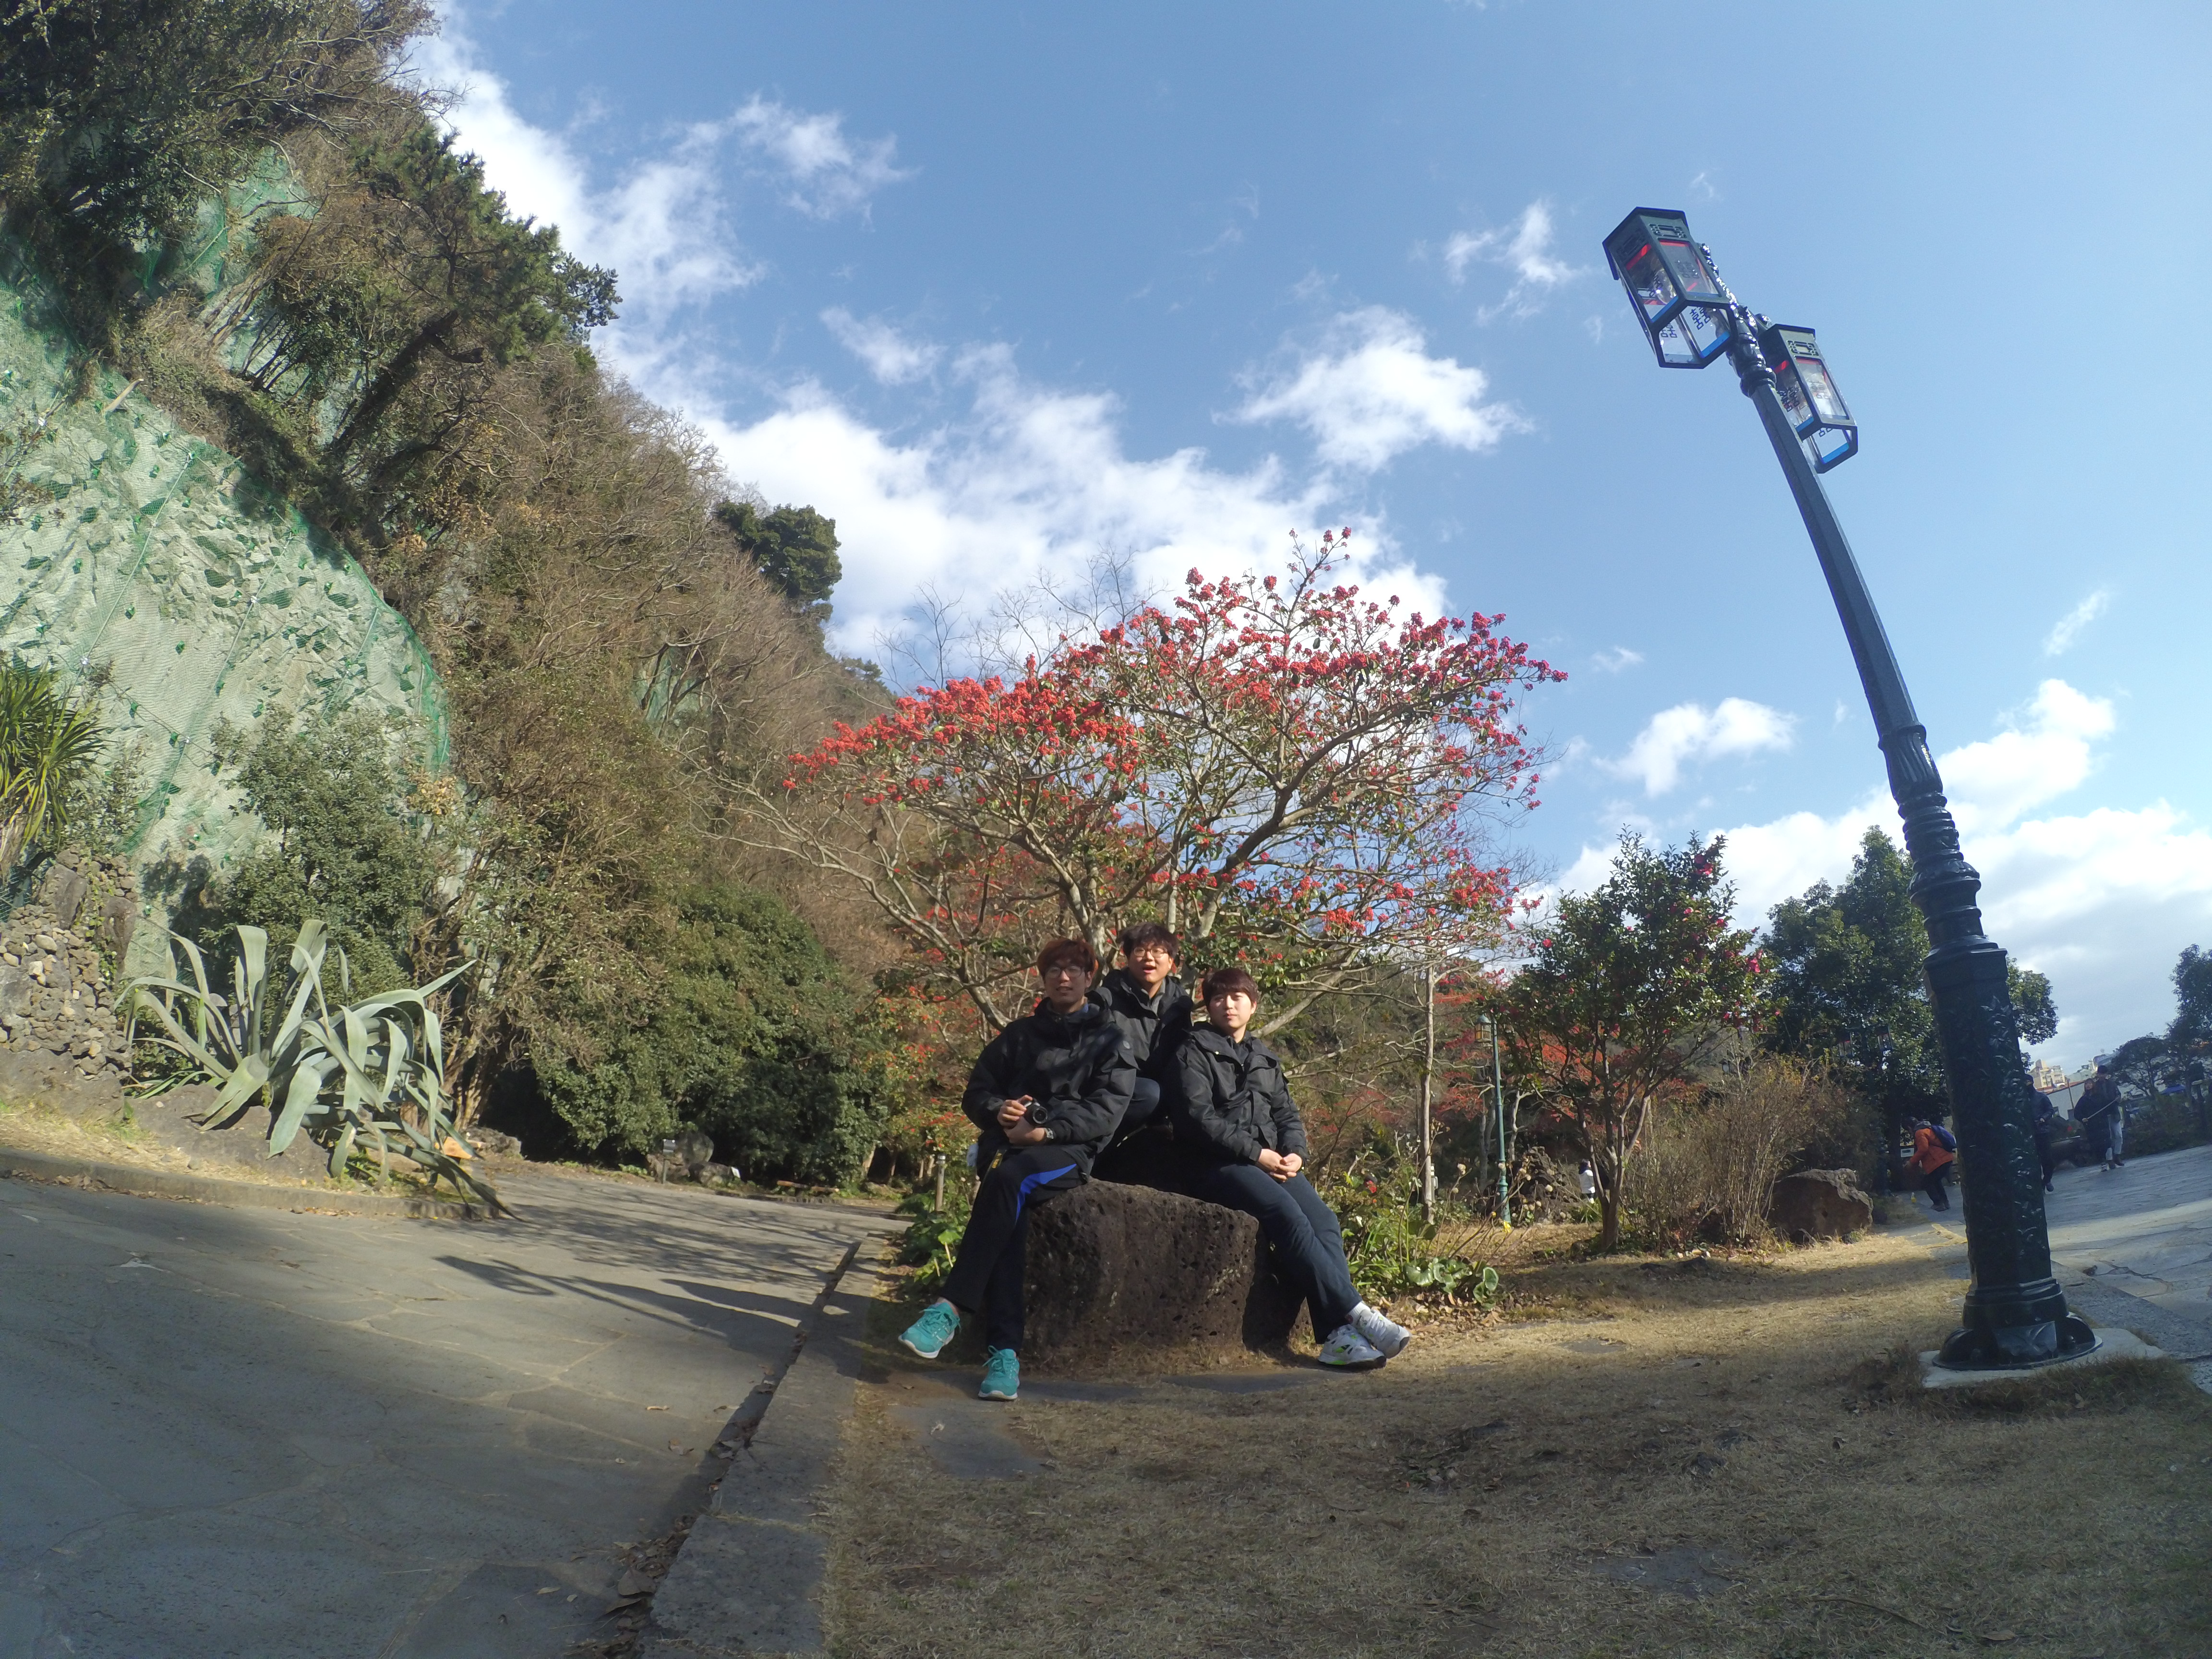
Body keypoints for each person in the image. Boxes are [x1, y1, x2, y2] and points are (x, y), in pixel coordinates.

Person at [898, 939, 1135, 1401]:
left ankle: (950, 1308)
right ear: (1042, 979)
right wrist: (1000, 1110)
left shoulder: (1111, 1039)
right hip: (1007, 1144)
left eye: (1074, 969)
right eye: (1054, 970)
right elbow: (977, 1092)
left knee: (1011, 1180)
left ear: (1090, 977)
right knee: (1011, 1214)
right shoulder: (1019, 1035)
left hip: (1066, 1150)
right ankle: (1004, 1356)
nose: (1063, 977)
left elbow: (1107, 1110)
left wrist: (1047, 1132)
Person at [1173, 965, 1410, 1369]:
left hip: (1269, 1162)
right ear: (1208, 1006)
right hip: (1217, 1163)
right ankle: (1357, 1315)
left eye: (1237, 997)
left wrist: (1295, 1151)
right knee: (1286, 1214)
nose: (1228, 1005)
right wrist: (1256, 1153)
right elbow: (1198, 1118)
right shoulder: (1192, 1050)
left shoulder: (1264, 1057)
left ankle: (1337, 1337)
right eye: (1218, 998)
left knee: (1324, 1220)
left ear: (1253, 1005)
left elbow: (1287, 1114)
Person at [1089, 921, 1193, 1141]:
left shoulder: (1180, 1005)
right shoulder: (1106, 1001)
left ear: (1171, 961)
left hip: (1158, 1099)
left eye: (1158, 951)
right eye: (1140, 951)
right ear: (1127, 958)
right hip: (1113, 1091)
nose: (1148, 958)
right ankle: (1096, 1147)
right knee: (1150, 1093)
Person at [2079, 1062, 2125, 1170]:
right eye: (2100, 1074)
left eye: (2104, 1074)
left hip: (2114, 1113)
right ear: (2098, 1074)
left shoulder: (2112, 1084)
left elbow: (2118, 1094)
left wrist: (2118, 1099)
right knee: (2107, 1138)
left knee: (2119, 1135)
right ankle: (2109, 1160)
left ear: (2107, 1074)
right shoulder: (2095, 1086)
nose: (2102, 1076)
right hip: (2102, 1116)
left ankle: (2117, 1155)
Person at [1903, 1118, 1955, 1212]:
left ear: (1909, 1127)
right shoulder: (1927, 1128)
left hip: (1940, 1160)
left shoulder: (1919, 1133)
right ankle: (1945, 1203)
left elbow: (1924, 1149)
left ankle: (1938, 1203)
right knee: (1936, 1181)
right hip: (1946, 1158)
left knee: (1927, 1182)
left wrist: (1911, 1162)